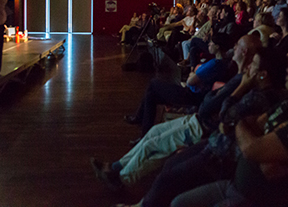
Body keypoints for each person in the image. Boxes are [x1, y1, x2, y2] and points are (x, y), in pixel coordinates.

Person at [91, 35, 264, 191]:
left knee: (154, 145)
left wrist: (213, 95)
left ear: (244, 51)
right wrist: (213, 95)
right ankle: (115, 167)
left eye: (238, 43)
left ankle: (121, 179)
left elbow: (208, 105)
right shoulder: (236, 75)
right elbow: (211, 99)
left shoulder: (240, 81)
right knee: (154, 132)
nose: (235, 45)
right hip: (197, 118)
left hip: (202, 127)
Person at [171, 52, 288, 207]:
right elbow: (256, 125)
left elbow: (250, 149)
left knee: (171, 179)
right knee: (178, 203)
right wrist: (259, 144)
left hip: (254, 199)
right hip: (235, 184)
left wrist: (239, 124)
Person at [124, 33, 231, 135]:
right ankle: (143, 131)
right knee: (151, 95)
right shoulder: (221, 63)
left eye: (211, 43)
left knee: (153, 83)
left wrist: (193, 74)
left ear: (217, 47)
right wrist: (194, 74)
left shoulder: (214, 64)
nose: (208, 44)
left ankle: (139, 120)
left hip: (190, 95)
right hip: (195, 94)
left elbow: (190, 81)